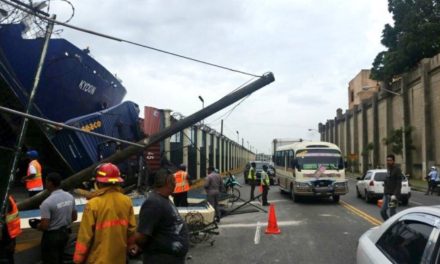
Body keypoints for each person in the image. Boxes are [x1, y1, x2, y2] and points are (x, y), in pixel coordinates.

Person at [73, 163, 137, 264]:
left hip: (98, 260)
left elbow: (85, 237)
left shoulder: (93, 204)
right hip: (119, 259)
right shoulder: (126, 201)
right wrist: (131, 246)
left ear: (99, 183)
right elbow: (131, 230)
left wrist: (78, 260)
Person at [135, 169, 189, 264]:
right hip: (160, 259)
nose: (176, 183)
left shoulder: (165, 199)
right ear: (168, 182)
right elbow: (142, 236)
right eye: (174, 181)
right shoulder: (153, 203)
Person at [37, 173, 77, 264]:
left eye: (46, 181)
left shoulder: (46, 203)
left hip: (52, 237)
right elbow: (74, 217)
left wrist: (38, 225)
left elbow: (45, 226)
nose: (45, 183)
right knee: (61, 258)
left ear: (50, 183)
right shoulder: (70, 197)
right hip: (65, 233)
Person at [0, 195, 22, 264]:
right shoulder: (8, 197)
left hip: (5, 237)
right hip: (10, 236)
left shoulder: (5, 201)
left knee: (5, 258)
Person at [380, 154, 402, 221]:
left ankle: (393, 225)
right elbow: (387, 180)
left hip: (393, 196)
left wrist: (395, 195)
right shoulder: (388, 169)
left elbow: (399, 184)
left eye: (390, 160)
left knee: (392, 213)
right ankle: (388, 224)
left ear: (393, 161)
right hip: (386, 194)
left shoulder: (397, 169)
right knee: (382, 211)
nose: (388, 162)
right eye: (387, 160)